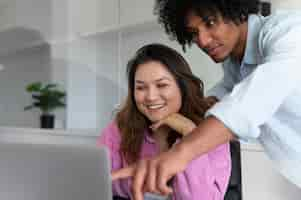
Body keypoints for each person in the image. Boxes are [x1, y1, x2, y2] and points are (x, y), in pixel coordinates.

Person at [115, 0, 301, 199]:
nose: (202, 41)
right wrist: (179, 116)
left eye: (210, 23)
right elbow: (224, 95)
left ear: (237, 11)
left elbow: (252, 101)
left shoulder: (289, 33)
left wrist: (179, 154)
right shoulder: (235, 66)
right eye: (194, 33)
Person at [98, 43, 231, 200]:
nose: (151, 96)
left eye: (161, 85)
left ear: (183, 87)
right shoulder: (119, 129)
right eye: (141, 88)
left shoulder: (213, 131)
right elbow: (97, 184)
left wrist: (190, 133)